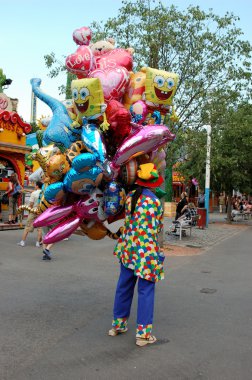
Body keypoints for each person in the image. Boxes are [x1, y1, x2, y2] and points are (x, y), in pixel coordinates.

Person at [108, 163, 164, 347]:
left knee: (124, 286)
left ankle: (118, 325)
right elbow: (157, 229)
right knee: (146, 290)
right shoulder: (155, 202)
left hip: (128, 247)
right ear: (154, 183)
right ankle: (143, 335)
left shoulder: (131, 197)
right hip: (146, 252)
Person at [17, 181, 43, 247]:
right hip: (40, 212)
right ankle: (37, 243)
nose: (34, 186)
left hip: (33, 211)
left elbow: (31, 204)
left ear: (37, 186)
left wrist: (29, 210)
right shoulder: (44, 193)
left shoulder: (34, 193)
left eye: (35, 185)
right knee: (40, 228)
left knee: (27, 226)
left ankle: (22, 242)